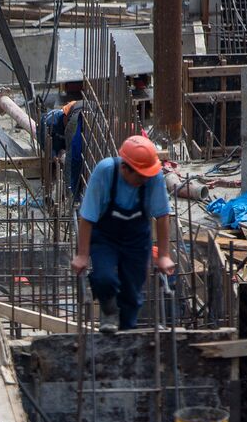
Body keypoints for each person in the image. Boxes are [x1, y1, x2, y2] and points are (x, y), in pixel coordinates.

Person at [70, 135, 176, 334]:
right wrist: (82, 255)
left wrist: (163, 255)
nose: (144, 179)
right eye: (140, 175)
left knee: (132, 291)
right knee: (104, 278)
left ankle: (128, 333)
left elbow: (162, 215)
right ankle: (108, 311)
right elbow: (87, 216)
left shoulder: (152, 176)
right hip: (105, 237)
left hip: (136, 238)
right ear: (125, 168)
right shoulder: (105, 172)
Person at [39, 99, 93, 202]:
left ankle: (71, 195)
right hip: (90, 114)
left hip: (80, 116)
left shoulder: (70, 120)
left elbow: (71, 158)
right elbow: (45, 141)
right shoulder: (51, 122)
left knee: (73, 158)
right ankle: (74, 193)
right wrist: (53, 155)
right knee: (77, 157)